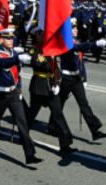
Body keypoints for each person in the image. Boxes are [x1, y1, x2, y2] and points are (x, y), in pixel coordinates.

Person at [0, 28, 43, 165]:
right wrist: (16, 58)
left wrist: (18, 90)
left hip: (13, 94)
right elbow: (2, 63)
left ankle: (30, 155)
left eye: (12, 38)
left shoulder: (14, 52)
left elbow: (17, 74)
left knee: (22, 123)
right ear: (1, 40)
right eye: (7, 38)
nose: (11, 40)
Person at [50, 19, 106, 141]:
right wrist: (95, 44)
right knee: (59, 104)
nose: (76, 30)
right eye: (73, 29)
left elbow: (81, 62)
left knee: (84, 104)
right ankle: (52, 127)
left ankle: (95, 130)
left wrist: (84, 78)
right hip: (66, 78)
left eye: (76, 28)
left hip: (77, 77)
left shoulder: (76, 41)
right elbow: (79, 48)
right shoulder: (66, 43)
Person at [25, 27, 78, 156]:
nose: (45, 36)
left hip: (51, 86)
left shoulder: (51, 48)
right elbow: (36, 63)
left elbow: (55, 67)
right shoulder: (34, 48)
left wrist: (57, 83)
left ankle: (65, 145)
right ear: (37, 35)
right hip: (39, 86)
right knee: (31, 115)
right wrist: (49, 53)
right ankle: (23, 136)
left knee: (58, 115)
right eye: (42, 34)